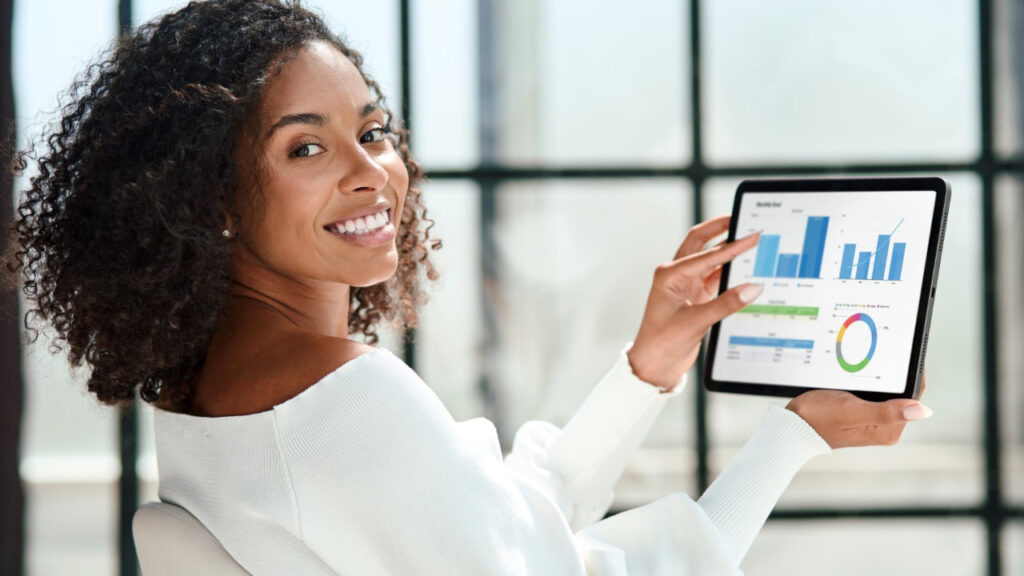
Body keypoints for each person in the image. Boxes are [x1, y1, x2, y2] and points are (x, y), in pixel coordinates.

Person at [4, 1, 934, 574]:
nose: (371, 172)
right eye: (306, 147)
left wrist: (647, 366)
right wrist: (793, 437)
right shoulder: (344, 398)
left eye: (373, 130)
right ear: (211, 196)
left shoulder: (219, 391)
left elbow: (494, 526)